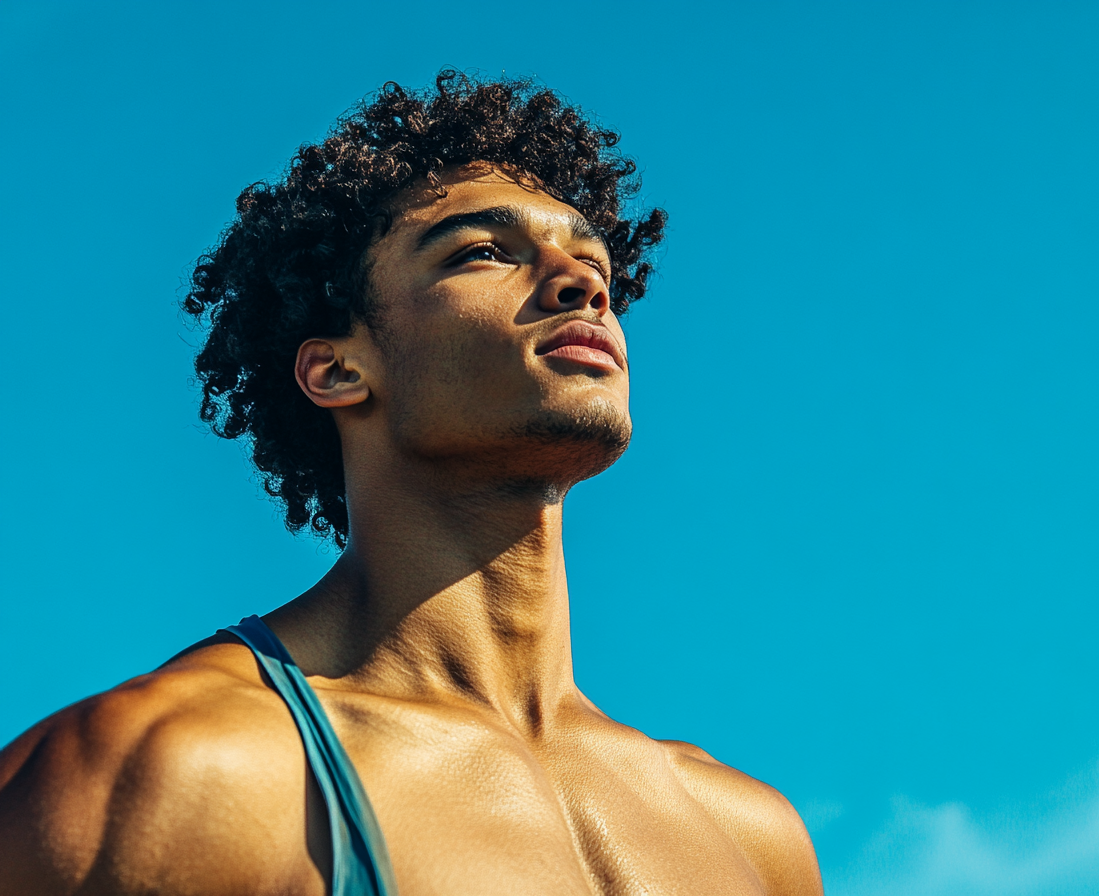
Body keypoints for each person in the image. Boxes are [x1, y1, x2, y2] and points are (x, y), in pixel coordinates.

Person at [0, 71, 824, 895]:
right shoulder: (180, 773)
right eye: (485, 252)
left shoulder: (752, 836)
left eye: (591, 258)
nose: (583, 283)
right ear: (336, 369)